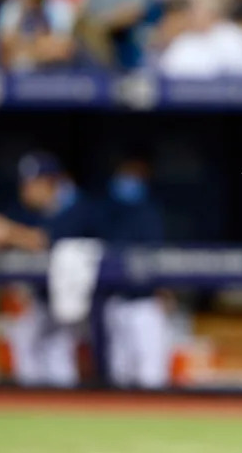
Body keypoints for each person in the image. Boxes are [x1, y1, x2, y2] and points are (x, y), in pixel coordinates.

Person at [0, 151, 101, 387]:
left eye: (33, 184)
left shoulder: (79, 206)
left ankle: (68, 411)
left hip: (87, 303)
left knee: (60, 356)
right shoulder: (31, 209)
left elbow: (43, 241)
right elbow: (2, 229)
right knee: (26, 342)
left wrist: (9, 232)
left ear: (50, 182)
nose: (26, 190)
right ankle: (34, 409)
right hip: (46, 299)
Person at [100, 149, 172, 389]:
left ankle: (157, 425)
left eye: (135, 175)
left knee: (151, 375)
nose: (128, 180)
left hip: (145, 304)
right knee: (119, 375)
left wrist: (163, 289)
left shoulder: (149, 213)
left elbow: (159, 255)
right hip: (114, 301)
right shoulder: (106, 212)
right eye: (125, 174)